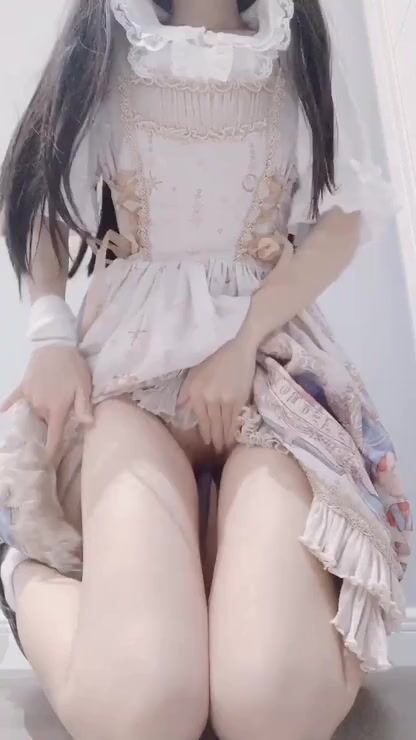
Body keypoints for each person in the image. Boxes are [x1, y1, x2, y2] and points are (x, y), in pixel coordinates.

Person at [0, 1, 412, 738]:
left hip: (267, 376)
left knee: (272, 710)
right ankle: (20, 576)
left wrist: (245, 338)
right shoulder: (107, 40)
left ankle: (220, 565)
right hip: (129, 377)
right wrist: (50, 336)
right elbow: (36, 194)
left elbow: (344, 218)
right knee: (145, 712)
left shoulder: (294, 44)